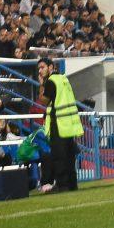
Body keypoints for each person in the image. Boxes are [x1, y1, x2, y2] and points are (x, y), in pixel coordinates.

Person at [37, 57, 82, 192]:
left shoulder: (51, 81)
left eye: (42, 67)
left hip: (59, 123)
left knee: (59, 156)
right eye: (39, 68)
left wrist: (41, 85)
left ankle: (62, 185)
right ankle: (72, 184)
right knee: (69, 156)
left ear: (51, 67)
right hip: (69, 124)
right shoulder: (63, 79)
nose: (40, 71)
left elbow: (44, 101)